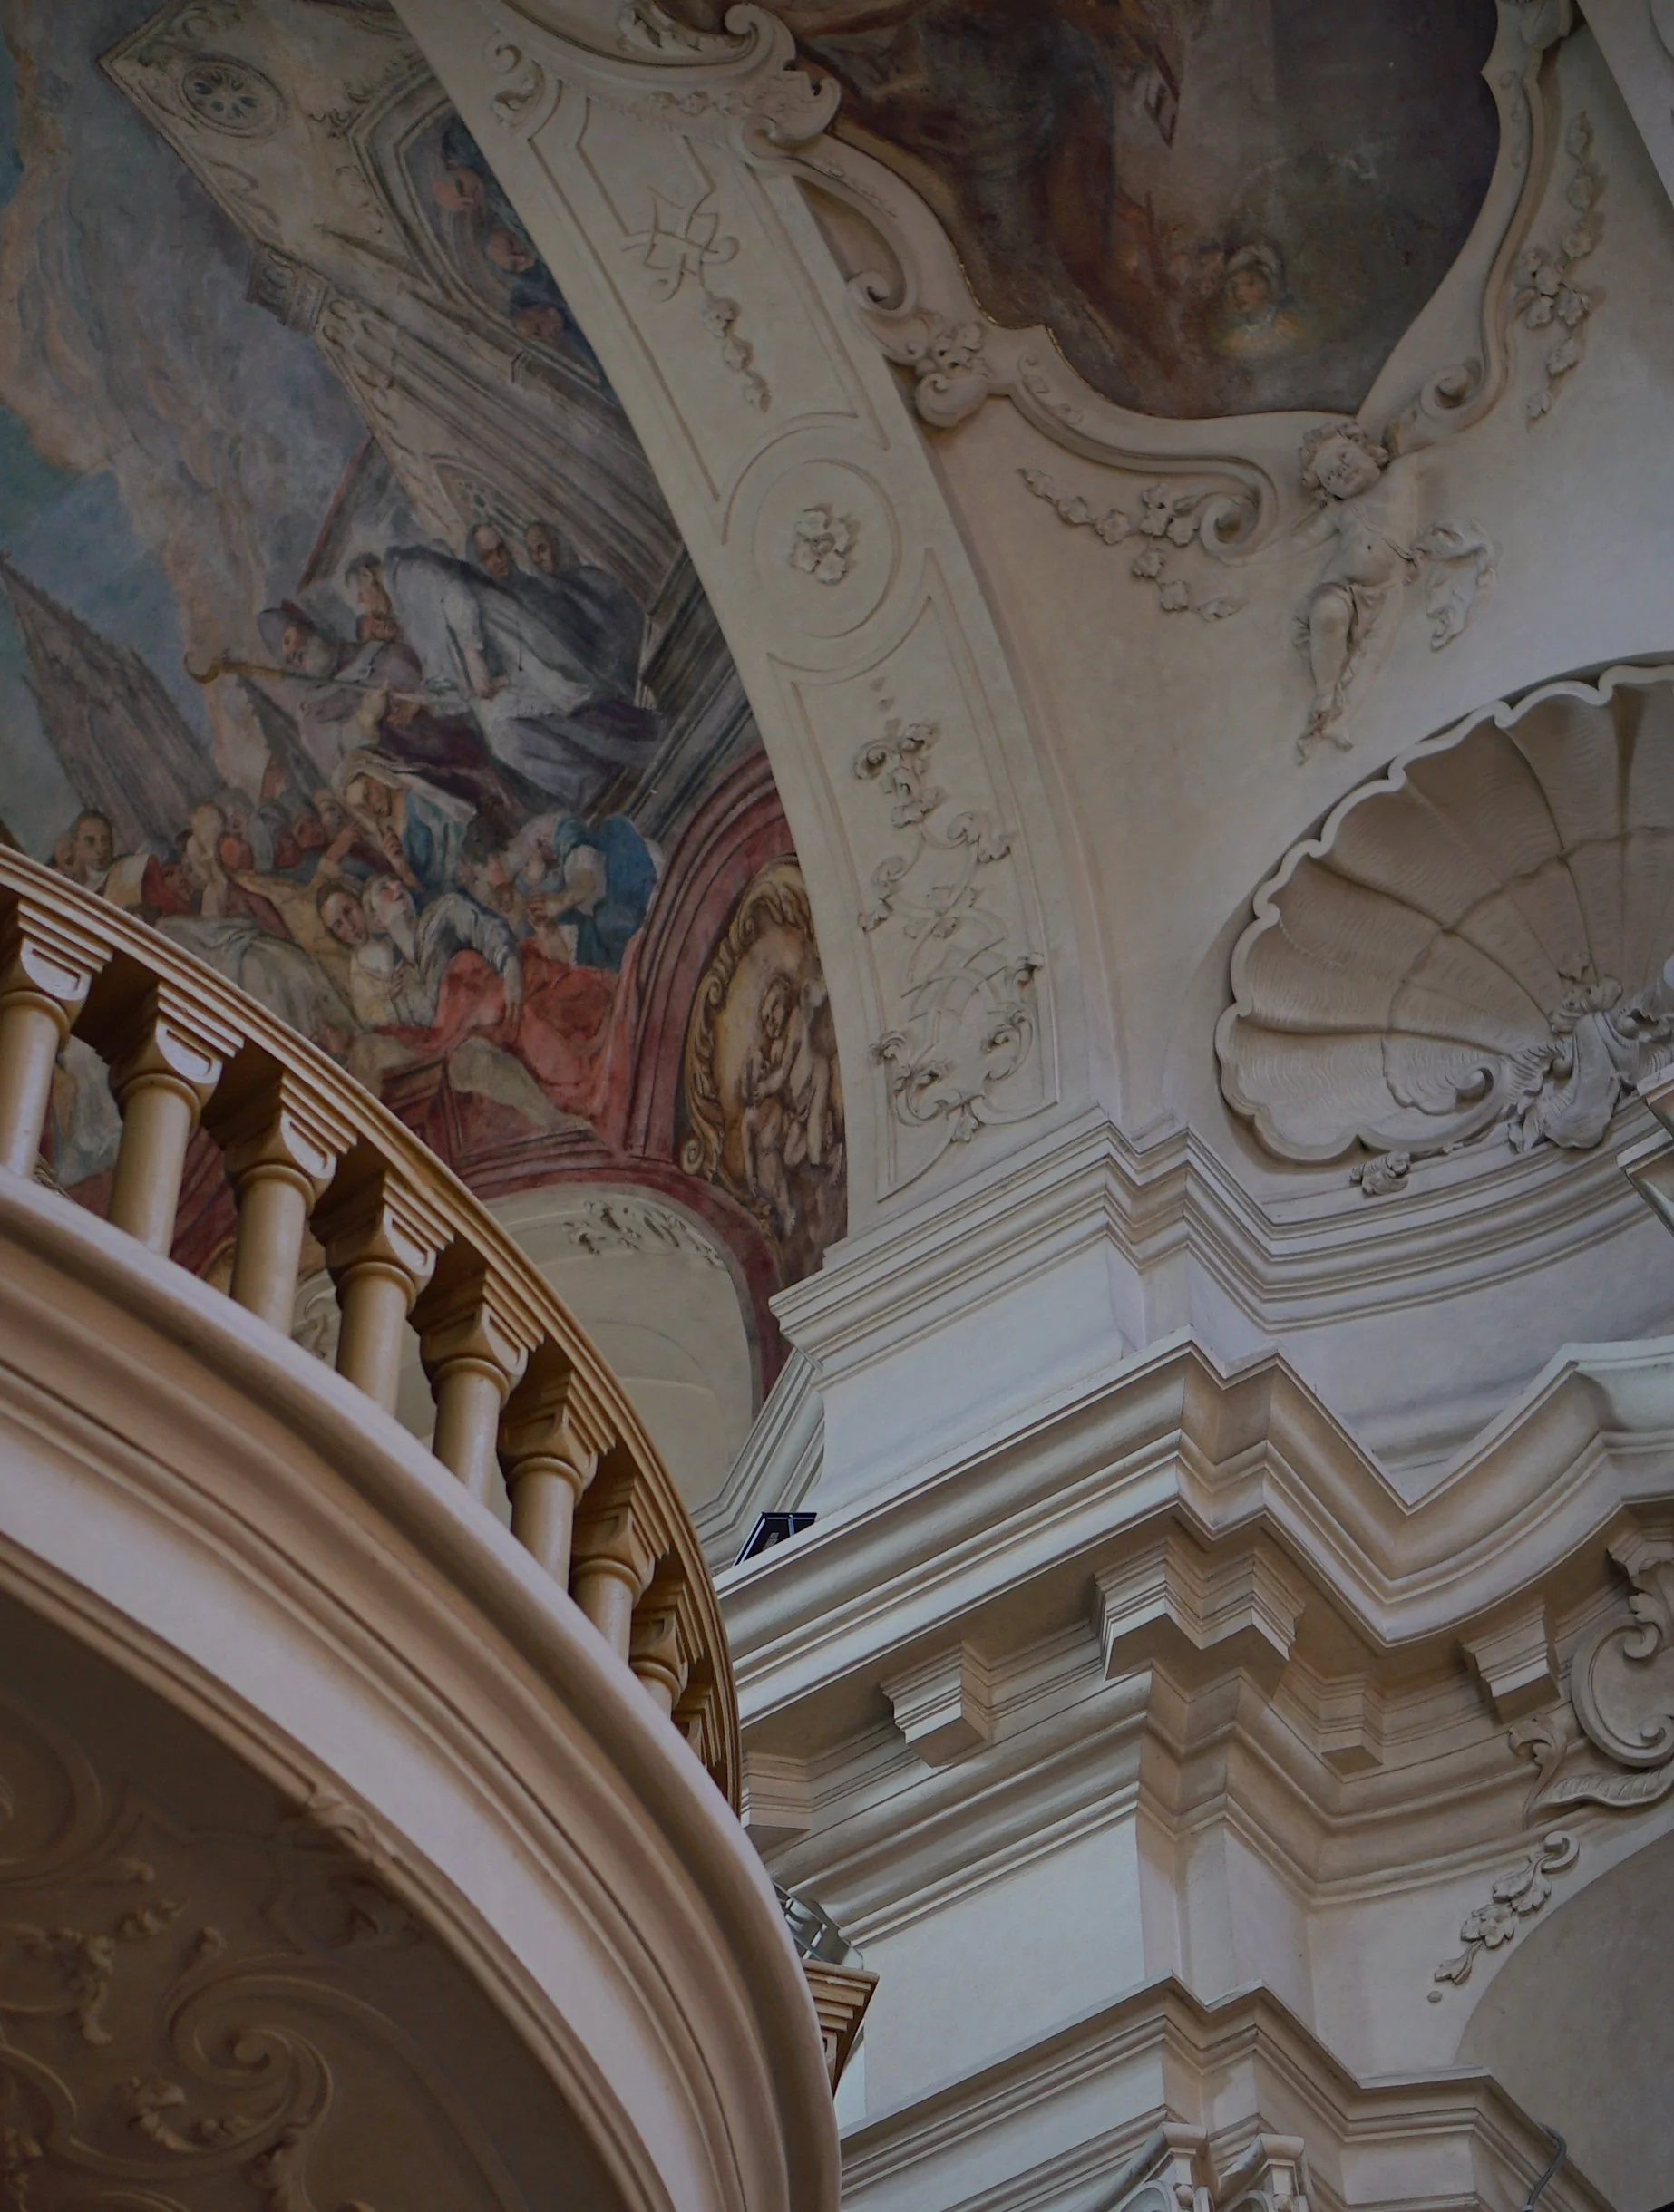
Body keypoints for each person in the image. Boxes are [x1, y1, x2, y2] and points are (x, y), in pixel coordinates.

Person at [384, 538, 660, 815]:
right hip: (498, 682)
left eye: (363, 593)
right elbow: (457, 682)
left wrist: (472, 653)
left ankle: (637, 762)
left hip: (506, 651)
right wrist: (425, 699)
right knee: (514, 741)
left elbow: (457, 597)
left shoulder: (404, 571)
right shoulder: (402, 597)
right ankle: (604, 790)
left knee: (566, 716)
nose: (363, 601)